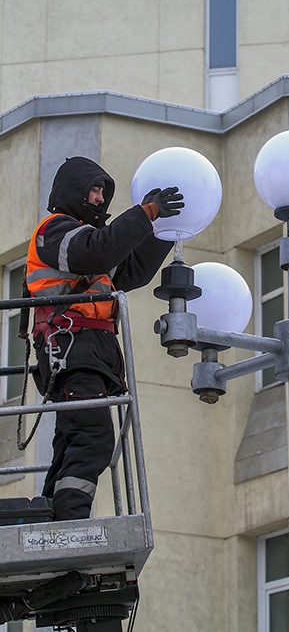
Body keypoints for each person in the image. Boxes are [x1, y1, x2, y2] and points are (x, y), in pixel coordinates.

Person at [25, 155, 183, 521]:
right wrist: (146, 214)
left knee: (73, 440)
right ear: (73, 191)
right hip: (71, 349)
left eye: (102, 191)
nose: (100, 198)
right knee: (94, 438)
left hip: (84, 353)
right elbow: (96, 252)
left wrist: (162, 229)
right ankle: (70, 525)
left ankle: (53, 517)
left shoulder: (88, 242)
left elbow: (132, 271)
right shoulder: (55, 230)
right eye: (94, 189)